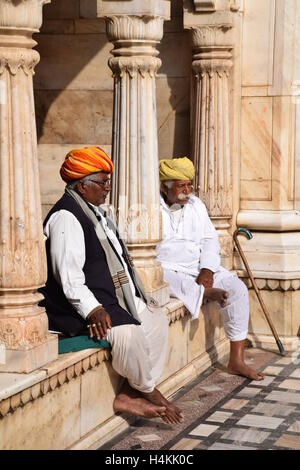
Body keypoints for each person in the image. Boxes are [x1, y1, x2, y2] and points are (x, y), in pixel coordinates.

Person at [40, 146, 184, 424]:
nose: (107, 188)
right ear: (82, 186)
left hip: (105, 297)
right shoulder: (67, 217)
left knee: (155, 319)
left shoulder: (95, 212)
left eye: (108, 181)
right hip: (73, 309)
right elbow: (68, 277)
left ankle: (130, 391)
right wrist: (93, 309)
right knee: (129, 334)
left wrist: (133, 298)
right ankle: (152, 393)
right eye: (102, 182)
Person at [157, 157, 264, 381]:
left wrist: (207, 269)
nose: (187, 191)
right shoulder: (150, 207)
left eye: (189, 185)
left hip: (197, 266)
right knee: (165, 279)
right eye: (181, 186)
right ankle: (205, 293)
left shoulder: (196, 205)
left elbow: (209, 240)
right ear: (164, 187)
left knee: (237, 288)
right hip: (168, 269)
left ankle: (236, 360)